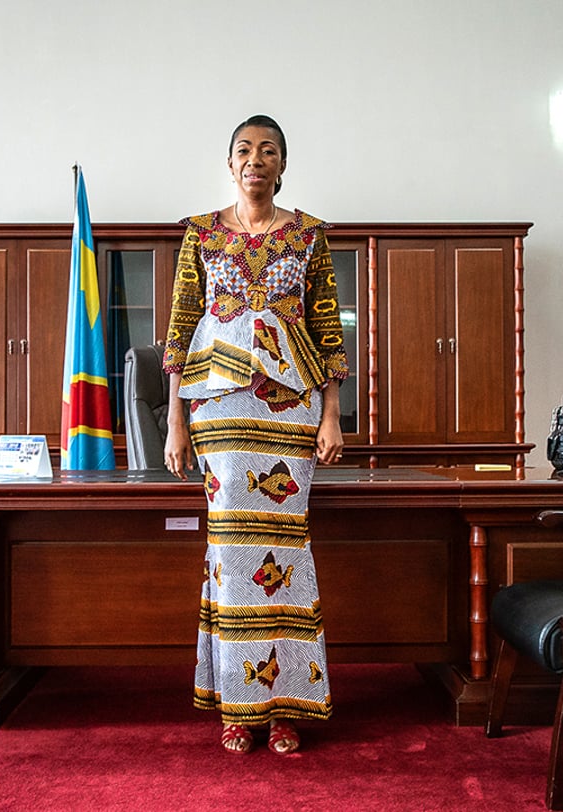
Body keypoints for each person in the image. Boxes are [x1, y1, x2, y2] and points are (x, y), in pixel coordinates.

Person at [161, 114, 348, 755]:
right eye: (245, 150)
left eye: (269, 151)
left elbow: (327, 326)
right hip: (218, 410)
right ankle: (236, 707)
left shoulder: (310, 235)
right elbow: (182, 326)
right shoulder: (201, 235)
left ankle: (287, 705)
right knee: (230, 554)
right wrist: (176, 423)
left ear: (283, 164)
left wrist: (332, 414)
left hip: (291, 409)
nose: (256, 160)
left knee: (286, 555)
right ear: (230, 162)